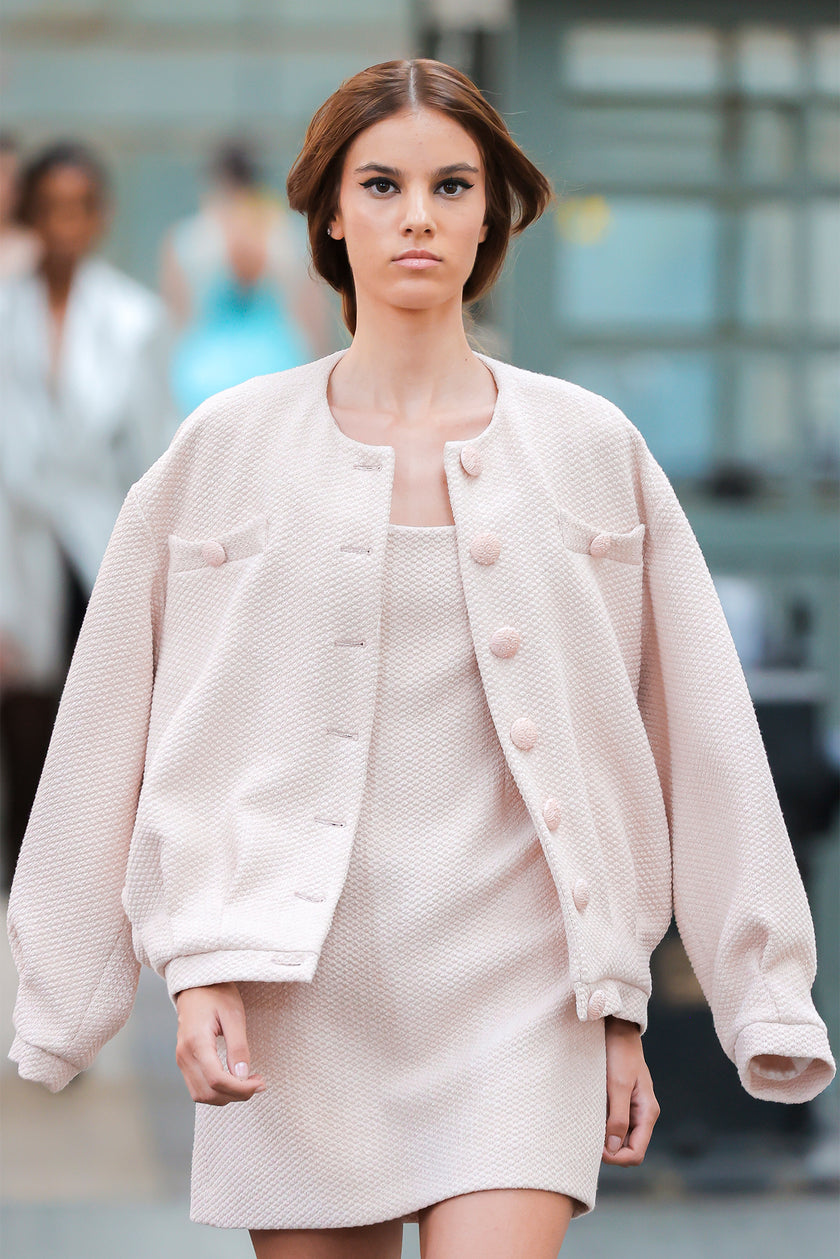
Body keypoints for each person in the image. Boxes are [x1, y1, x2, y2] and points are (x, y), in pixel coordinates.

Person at [5, 60, 835, 1259]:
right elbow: (114, 729)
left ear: (491, 210)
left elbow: (697, 728)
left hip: (522, 987)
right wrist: (167, 971)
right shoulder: (221, 450)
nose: (418, 215)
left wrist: (672, 995)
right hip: (294, 992)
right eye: (382, 183)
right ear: (330, 211)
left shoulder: (593, 448)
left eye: (453, 184)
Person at [0, 139, 180, 890]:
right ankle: (26, 888)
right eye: (50, 208)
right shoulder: (4, 308)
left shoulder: (133, 318)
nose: (65, 224)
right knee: (23, 713)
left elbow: (153, 447)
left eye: (80, 208)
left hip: (100, 537)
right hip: (14, 537)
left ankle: (89, 878)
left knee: (97, 712)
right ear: (30, 214)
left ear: (101, 216)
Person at [159, 137, 334, 418]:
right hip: (278, 367)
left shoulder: (189, 237)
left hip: (204, 374)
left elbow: (176, 315)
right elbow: (313, 319)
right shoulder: (289, 234)